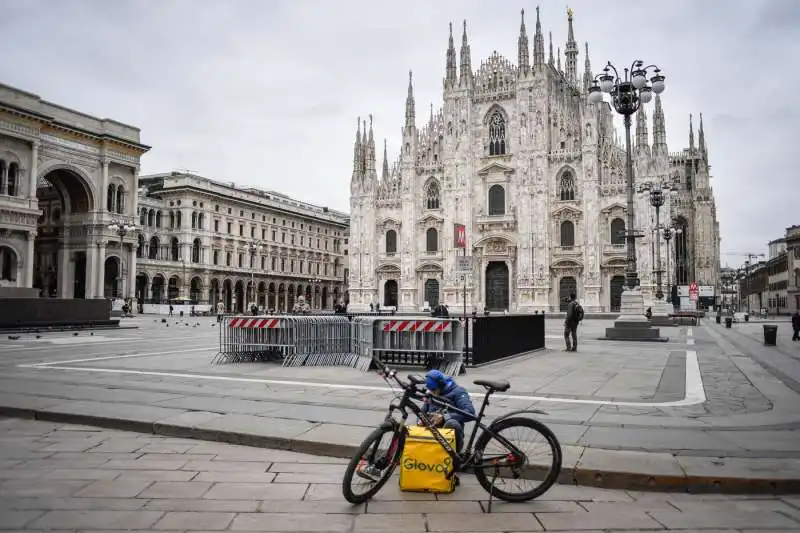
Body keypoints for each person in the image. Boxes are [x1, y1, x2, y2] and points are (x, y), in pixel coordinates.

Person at [419, 369, 475, 454]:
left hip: (449, 433)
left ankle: (455, 455)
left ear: (441, 386)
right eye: (429, 389)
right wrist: (421, 419)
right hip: (432, 432)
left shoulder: (458, 392)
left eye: (434, 390)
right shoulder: (431, 392)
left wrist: (444, 417)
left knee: (452, 423)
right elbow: (423, 411)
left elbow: (470, 413)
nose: (431, 392)